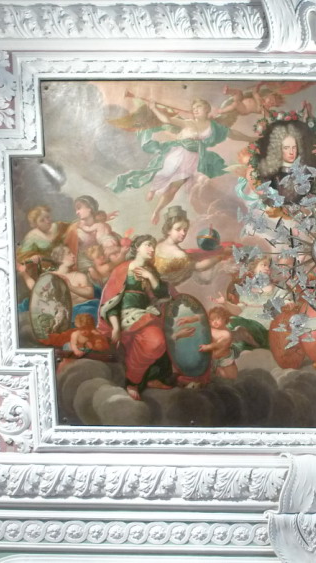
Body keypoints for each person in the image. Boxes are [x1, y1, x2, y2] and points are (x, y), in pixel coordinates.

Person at [109, 98, 255, 224]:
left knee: (173, 189)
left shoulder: (214, 127)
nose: (195, 110)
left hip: (192, 159)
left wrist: (250, 138)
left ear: (207, 109)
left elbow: (232, 133)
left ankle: (157, 211)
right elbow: (167, 120)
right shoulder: (188, 123)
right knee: (165, 173)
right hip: (178, 153)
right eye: (193, 108)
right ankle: (153, 189)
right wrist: (154, 108)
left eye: (198, 107)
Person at [98, 235, 175, 399]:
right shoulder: (123, 269)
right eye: (148, 245)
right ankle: (132, 382)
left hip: (147, 313)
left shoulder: (150, 271)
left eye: (153, 246)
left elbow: (162, 294)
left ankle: (152, 378)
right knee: (154, 341)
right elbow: (111, 300)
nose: (152, 249)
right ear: (137, 248)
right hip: (126, 316)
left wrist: (150, 277)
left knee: (164, 338)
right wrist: (116, 327)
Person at [153, 206, 230, 287]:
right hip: (166, 288)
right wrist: (221, 256)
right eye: (178, 229)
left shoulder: (161, 243)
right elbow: (199, 267)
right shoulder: (178, 253)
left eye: (185, 229)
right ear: (168, 230)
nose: (183, 233)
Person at [199, 307, 239, 379]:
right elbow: (202, 318)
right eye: (212, 320)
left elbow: (218, 345)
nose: (215, 322)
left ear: (224, 318)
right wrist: (190, 319)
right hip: (214, 359)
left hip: (225, 360)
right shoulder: (212, 329)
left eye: (217, 318)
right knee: (217, 376)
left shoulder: (226, 333)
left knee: (231, 377)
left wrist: (207, 347)